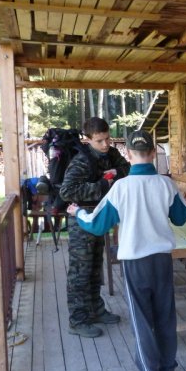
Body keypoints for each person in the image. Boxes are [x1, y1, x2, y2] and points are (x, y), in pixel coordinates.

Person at [67, 130, 186, 371]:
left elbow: (97, 225)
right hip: (162, 261)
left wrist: (79, 212)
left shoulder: (120, 188)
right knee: (165, 317)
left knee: (141, 321)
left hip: (135, 263)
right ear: (153, 153)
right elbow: (181, 218)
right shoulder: (167, 185)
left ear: (129, 155)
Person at [59, 117, 130, 338]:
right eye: (99, 141)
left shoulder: (112, 154)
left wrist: (116, 173)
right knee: (80, 271)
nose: (105, 144)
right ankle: (78, 320)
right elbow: (67, 191)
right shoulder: (81, 161)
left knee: (95, 267)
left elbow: (126, 168)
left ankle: (96, 309)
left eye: (107, 139)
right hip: (81, 220)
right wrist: (102, 184)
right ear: (88, 139)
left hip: (99, 216)